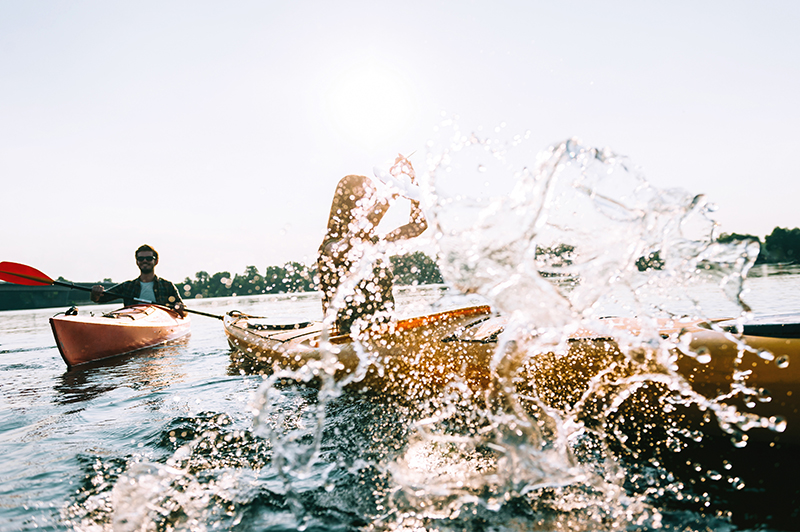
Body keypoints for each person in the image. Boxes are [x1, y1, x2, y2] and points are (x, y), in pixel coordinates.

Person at [318, 155, 428, 335]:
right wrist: (391, 194)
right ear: (348, 206)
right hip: (348, 341)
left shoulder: (374, 243)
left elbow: (418, 226)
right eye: (366, 199)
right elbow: (353, 241)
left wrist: (413, 187)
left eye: (373, 198)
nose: (371, 205)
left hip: (386, 333)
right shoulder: (330, 248)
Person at [91, 244, 185, 315]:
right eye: (141, 259)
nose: (144, 261)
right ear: (137, 262)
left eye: (148, 258)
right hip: (135, 323)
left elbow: (183, 312)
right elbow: (99, 299)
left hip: (160, 323)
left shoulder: (167, 286)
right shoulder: (127, 286)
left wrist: (180, 308)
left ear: (155, 261)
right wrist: (95, 293)